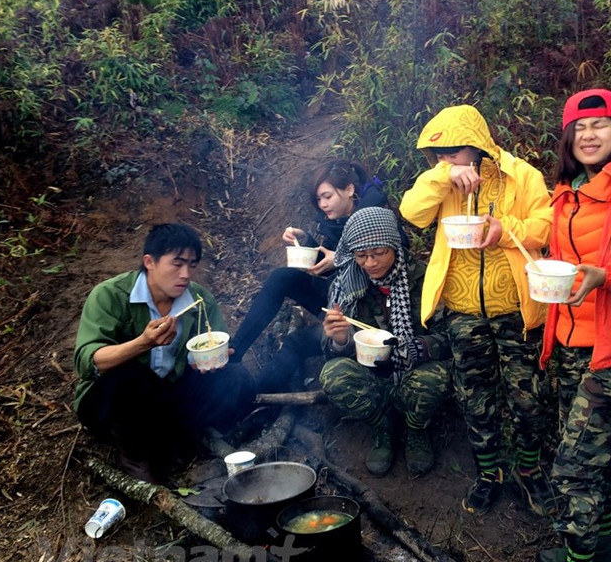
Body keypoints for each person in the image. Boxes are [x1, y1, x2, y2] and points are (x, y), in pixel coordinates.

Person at [523, 89, 611, 562]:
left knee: (574, 465)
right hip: (569, 341)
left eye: (601, 125)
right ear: (568, 137)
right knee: (589, 458)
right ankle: (594, 550)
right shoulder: (564, 192)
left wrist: (607, 275)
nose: (590, 135)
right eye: (580, 127)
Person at [399, 104, 554, 516]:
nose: (445, 159)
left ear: (477, 146)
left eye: (453, 153)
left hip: (516, 311)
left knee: (527, 399)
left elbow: (546, 225)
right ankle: (489, 473)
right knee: (475, 397)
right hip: (464, 311)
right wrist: (442, 175)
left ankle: (530, 470)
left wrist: (507, 230)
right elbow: (411, 212)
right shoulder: (442, 182)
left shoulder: (522, 175)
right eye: (440, 154)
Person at [73, 223, 256, 483]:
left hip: (167, 398)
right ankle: (137, 457)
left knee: (237, 379)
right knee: (131, 376)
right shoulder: (110, 295)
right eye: (177, 264)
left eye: (192, 265)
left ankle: (182, 439)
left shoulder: (198, 300)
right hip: (113, 406)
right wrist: (143, 343)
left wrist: (215, 361)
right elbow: (87, 362)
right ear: (150, 261)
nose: (186, 274)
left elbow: (209, 348)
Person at [231, 160, 401, 391]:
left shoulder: (375, 217)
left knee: (296, 342)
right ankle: (235, 356)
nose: (322, 204)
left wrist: (342, 258)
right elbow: (332, 264)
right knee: (282, 277)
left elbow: (389, 261)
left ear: (350, 190)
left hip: (371, 308)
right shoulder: (335, 222)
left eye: (327, 196)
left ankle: (254, 396)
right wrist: (306, 241)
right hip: (339, 299)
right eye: (319, 199)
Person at [319, 207, 451, 477]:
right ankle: (382, 426)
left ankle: (416, 430)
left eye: (379, 253)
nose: (370, 263)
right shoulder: (346, 285)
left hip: (413, 372)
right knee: (333, 375)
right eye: (361, 255)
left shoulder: (425, 278)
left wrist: (422, 346)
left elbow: (450, 334)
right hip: (372, 378)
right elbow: (331, 353)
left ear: (394, 246)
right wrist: (339, 340)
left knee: (435, 378)